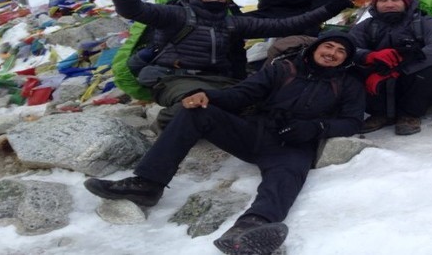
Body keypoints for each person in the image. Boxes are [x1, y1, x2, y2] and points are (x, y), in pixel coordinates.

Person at [84, 31, 365, 255]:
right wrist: (208, 96)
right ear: (315, 48)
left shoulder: (348, 84)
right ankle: (147, 183)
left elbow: (352, 121)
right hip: (255, 130)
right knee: (196, 113)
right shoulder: (284, 68)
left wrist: (314, 128)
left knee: (287, 175)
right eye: (328, 46)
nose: (332, 53)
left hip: (293, 143)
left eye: (341, 51)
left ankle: (251, 226)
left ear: (346, 59)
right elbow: (244, 93)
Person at [104, 0, 353, 128]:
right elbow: (134, 10)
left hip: (221, 80)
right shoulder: (174, 15)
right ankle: (167, 122)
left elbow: (286, 24)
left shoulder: (233, 22)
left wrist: (329, 9)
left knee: (258, 104)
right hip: (175, 78)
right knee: (194, 104)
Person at [349, 0, 432, 135]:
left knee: (430, 72)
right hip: (379, 76)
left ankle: (410, 114)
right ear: (375, 4)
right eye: (383, 0)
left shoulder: (425, 22)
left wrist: (399, 68)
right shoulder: (366, 26)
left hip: (411, 75)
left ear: (406, 2)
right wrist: (369, 56)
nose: (389, 4)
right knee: (353, 71)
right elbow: (348, 48)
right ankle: (380, 113)